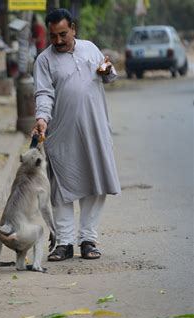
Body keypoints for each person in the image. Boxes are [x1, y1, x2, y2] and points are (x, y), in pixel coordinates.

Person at [31, 8, 121, 261]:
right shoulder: (44, 60)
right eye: (53, 36)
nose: (58, 41)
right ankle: (64, 243)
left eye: (63, 35)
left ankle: (88, 240)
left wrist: (107, 70)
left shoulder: (90, 48)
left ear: (73, 28)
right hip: (62, 132)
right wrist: (41, 119)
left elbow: (108, 75)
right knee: (61, 188)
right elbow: (44, 94)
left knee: (96, 184)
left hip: (95, 129)